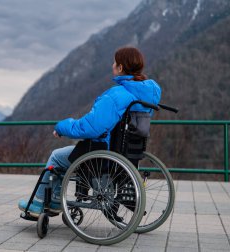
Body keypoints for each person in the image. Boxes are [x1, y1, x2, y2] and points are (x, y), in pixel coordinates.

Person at [18, 46, 161, 217]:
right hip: (129, 154)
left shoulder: (117, 95)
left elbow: (92, 127)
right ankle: (55, 202)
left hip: (103, 153)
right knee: (67, 157)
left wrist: (62, 127)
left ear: (121, 67)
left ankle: (38, 204)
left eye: (115, 62)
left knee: (57, 157)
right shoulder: (148, 94)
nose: (112, 65)